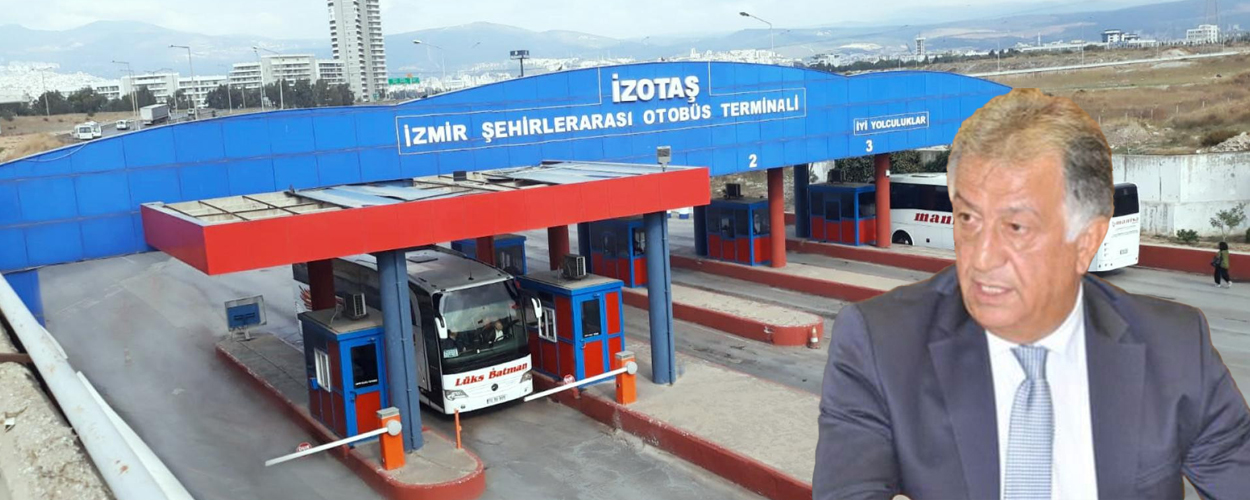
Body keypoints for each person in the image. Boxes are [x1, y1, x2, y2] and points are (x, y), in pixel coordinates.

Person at [814, 88, 1250, 500]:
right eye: (967, 218)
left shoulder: (1176, 348)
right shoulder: (880, 344)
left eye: (1016, 227)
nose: (982, 257)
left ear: (1087, 241)